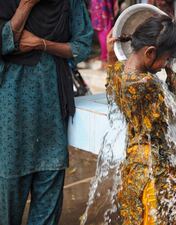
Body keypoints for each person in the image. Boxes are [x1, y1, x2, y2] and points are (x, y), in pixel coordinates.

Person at [0, 0, 93, 224]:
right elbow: (4, 43)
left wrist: (41, 44)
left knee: (49, 187)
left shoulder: (70, 3)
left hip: (51, 110)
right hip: (11, 114)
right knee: (8, 190)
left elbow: (82, 46)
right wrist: (25, 6)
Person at [106, 15, 176, 224]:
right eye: (168, 58)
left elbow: (110, 90)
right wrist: (173, 81)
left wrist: (110, 56)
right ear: (150, 52)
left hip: (134, 161)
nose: (167, 64)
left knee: (136, 215)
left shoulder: (118, 71)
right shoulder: (148, 83)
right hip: (155, 166)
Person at [90, 0, 118, 69]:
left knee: (105, 30)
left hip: (105, 5)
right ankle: (105, 59)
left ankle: (105, 60)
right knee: (104, 29)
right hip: (101, 5)